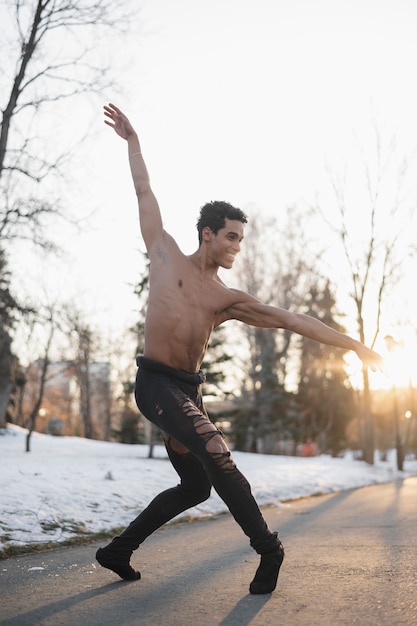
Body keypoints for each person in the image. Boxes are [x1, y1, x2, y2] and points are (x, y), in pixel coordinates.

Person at [96, 103, 383, 595]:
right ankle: (270, 550)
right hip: (155, 383)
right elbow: (145, 191)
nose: (237, 246)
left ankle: (117, 550)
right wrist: (133, 142)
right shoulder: (164, 257)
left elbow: (290, 320)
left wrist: (352, 344)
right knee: (217, 453)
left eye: (241, 239)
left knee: (196, 486)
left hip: (188, 392)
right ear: (207, 234)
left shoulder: (227, 298)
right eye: (231, 237)